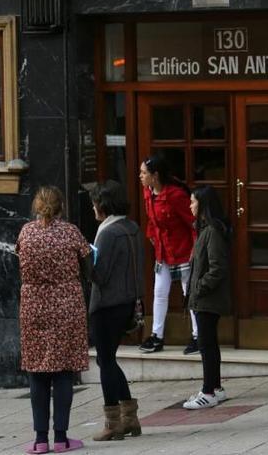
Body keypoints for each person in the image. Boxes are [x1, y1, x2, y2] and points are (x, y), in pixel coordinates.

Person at [17, 186, 90, 454]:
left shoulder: (26, 232)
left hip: (33, 304)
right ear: (61, 207)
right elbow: (88, 262)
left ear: (37, 206)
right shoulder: (70, 232)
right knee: (62, 371)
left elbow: (19, 260)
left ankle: (39, 439)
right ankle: (61, 437)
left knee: (37, 372)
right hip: (66, 304)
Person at [87, 181, 143, 441]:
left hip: (107, 304)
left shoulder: (108, 233)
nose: (93, 207)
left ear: (103, 205)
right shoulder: (131, 227)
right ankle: (130, 416)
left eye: (95, 202)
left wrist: (84, 259)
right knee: (108, 359)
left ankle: (113, 423)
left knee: (105, 361)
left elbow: (100, 275)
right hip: (127, 301)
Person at [138, 155, 199, 354]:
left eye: (144, 173)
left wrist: (195, 249)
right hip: (162, 251)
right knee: (159, 292)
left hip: (182, 250)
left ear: (155, 176)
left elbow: (192, 222)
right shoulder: (148, 193)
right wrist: (151, 235)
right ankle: (157, 336)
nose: (140, 176)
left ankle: (199, 336)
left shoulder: (174, 195)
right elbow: (151, 220)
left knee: (188, 293)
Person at [182, 186, 231, 410]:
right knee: (208, 343)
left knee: (206, 344)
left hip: (207, 300)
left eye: (193, 202)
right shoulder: (204, 230)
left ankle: (209, 390)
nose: (190, 206)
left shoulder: (212, 231)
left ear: (203, 205)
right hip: (203, 298)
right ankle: (215, 388)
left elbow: (217, 268)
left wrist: (199, 288)